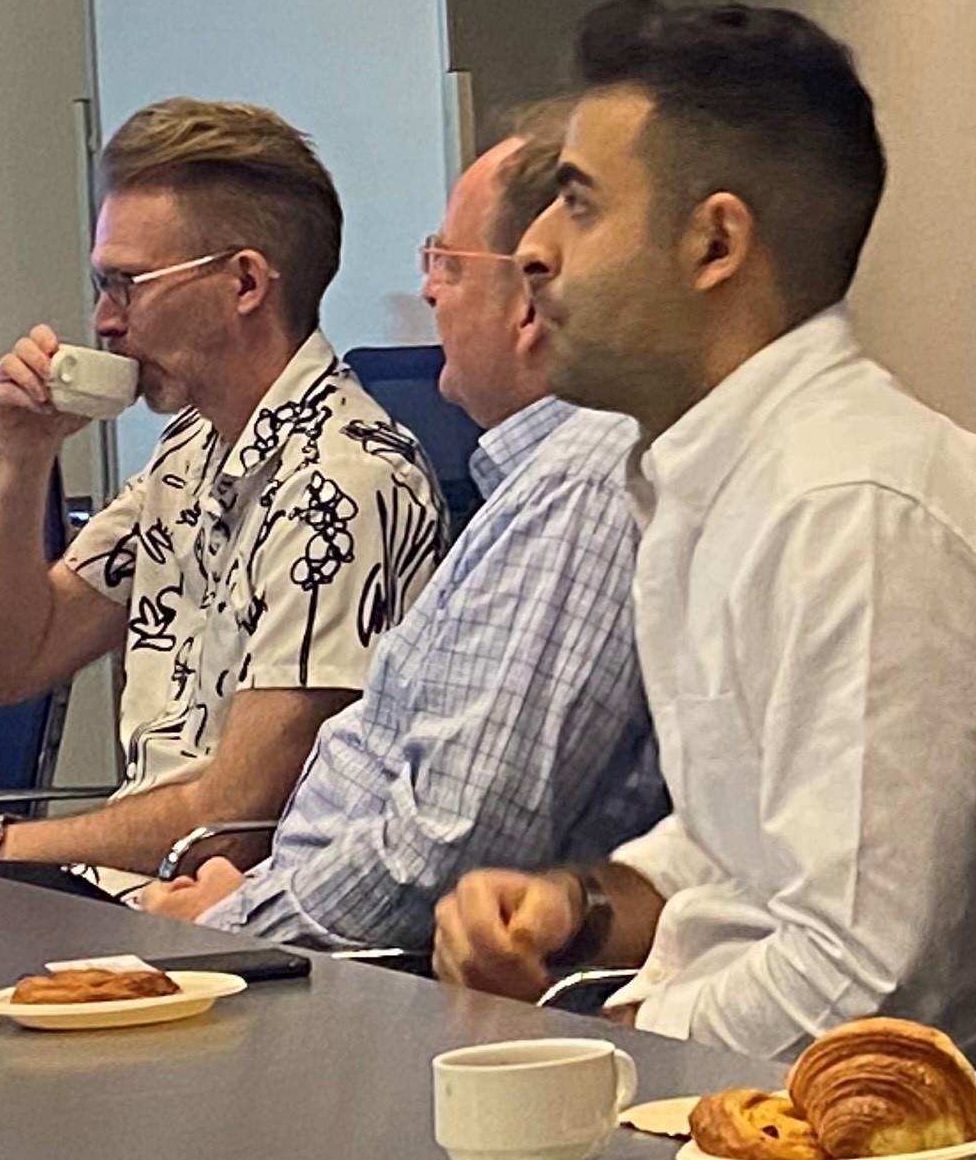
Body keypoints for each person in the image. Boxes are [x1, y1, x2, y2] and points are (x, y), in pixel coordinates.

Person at [433, 0, 976, 1076]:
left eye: (578, 203)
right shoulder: (710, 478)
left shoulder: (860, 504)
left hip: (907, 1145)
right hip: (741, 1105)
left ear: (714, 242)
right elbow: (736, 854)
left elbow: (859, 981)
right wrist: (574, 908)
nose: (531, 249)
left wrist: (595, 1053)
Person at [131, 110, 658, 945]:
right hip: (284, 916)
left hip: (346, 969)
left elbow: (450, 847)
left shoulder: (573, 486)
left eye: (445, 262)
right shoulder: (530, 484)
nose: (428, 291)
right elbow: (2, 661)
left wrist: (232, 922)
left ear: (532, 296)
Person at [0, 99, 444, 879]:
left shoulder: (344, 484)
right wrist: (20, 458)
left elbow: (232, 824)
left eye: (127, 285)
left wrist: (1, 849)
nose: (103, 321)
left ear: (244, 283)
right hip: (128, 905)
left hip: (222, 925)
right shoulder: (188, 451)